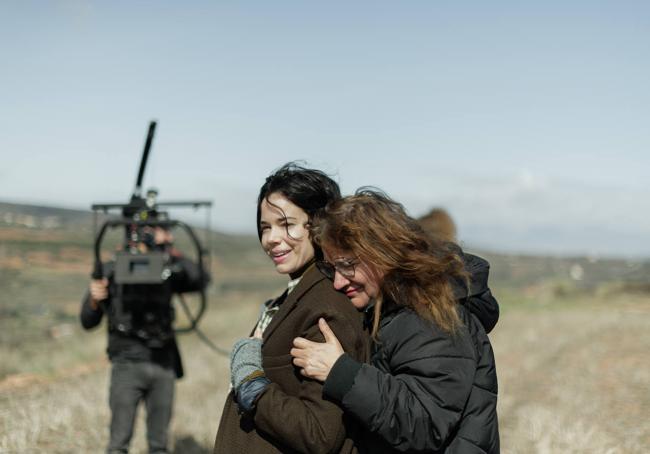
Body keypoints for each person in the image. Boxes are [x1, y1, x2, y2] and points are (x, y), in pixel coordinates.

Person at [291, 189, 500, 453]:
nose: (338, 281)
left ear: (382, 253)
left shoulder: (428, 316)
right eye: (331, 268)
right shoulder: (396, 308)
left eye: (347, 265)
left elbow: (424, 424)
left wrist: (340, 371)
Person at [213, 163, 369, 454]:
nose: (271, 239)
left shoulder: (326, 306)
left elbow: (319, 434)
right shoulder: (298, 293)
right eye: (265, 227)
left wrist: (252, 385)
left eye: (287, 225)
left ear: (320, 226)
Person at [80, 225, 209, 454]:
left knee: (159, 445)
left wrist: (169, 249)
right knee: (118, 443)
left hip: (163, 363)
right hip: (126, 363)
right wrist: (94, 298)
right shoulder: (112, 269)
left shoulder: (166, 268)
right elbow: (88, 321)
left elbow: (200, 278)